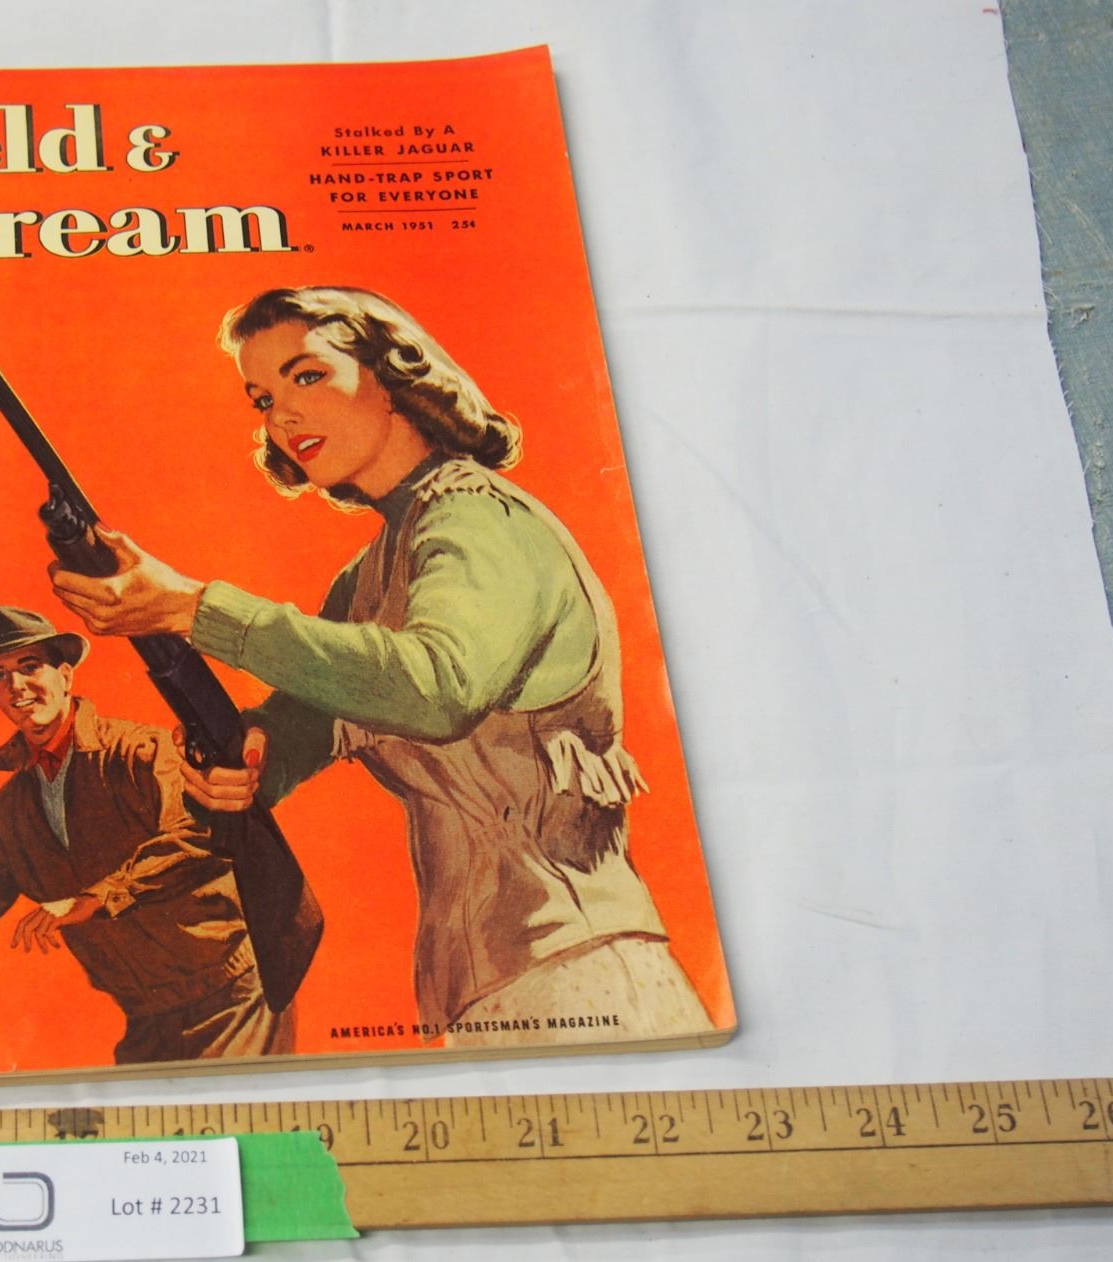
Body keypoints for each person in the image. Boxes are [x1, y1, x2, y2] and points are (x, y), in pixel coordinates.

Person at [50, 286, 713, 1046]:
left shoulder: (481, 519)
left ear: (394, 376)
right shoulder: (367, 579)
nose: (281, 416)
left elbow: (434, 687)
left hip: (582, 966)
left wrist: (194, 608)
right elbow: (316, 717)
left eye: (307, 376)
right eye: (263, 399)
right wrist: (257, 754)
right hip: (469, 990)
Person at [0, 604, 293, 1065]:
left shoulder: (140, 752)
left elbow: (200, 834)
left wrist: (95, 898)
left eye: (30, 667)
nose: (16, 686)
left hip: (232, 999)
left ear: (66, 676)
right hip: (147, 1019)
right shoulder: (13, 810)